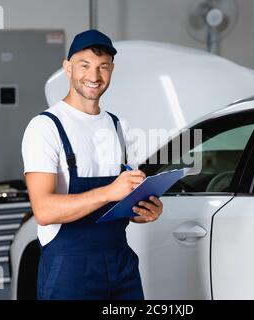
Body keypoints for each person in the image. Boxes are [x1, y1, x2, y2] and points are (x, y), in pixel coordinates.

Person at [21, 29, 163, 300]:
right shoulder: (46, 127)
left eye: (103, 67)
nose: (94, 76)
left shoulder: (118, 126)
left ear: (111, 71)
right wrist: (109, 191)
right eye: (84, 65)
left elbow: (122, 202)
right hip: (69, 269)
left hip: (121, 265)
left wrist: (142, 211)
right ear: (67, 68)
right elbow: (44, 209)